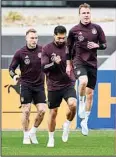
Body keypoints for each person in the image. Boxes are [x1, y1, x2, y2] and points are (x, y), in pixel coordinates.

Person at [66, 3, 107, 136]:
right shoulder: (73, 31)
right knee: (82, 82)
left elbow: (104, 45)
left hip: (92, 64)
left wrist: (97, 45)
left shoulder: (97, 28)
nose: (86, 15)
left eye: (88, 12)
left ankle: (85, 121)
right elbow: (68, 49)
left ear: (90, 14)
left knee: (91, 94)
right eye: (83, 13)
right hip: (79, 62)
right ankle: (81, 105)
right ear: (80, 15)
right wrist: (68, 64)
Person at [41, 25, 77, 147]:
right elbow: (43, 67)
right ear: (54, 36)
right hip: (53, 86)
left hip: (68, 84)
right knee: (53, 112)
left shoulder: (70, 46)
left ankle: (67, 124)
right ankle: (51, 138)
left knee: (73, 104)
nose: (61, 40)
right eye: (59, 38)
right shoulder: (47, 49)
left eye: (63, 38)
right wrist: (54, 63)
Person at [9, 29, 46, 144]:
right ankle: (25, 135)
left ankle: (33, 131)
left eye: (36, 38)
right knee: (26, 111)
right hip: (26, 85)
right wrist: (14, 76)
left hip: (39, 86)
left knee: (42, 111)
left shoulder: (43, 50)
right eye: (32, 38)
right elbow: (11, 69)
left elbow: (50, 64)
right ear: (26, 38)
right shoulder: (20, 53)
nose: (34, 40)